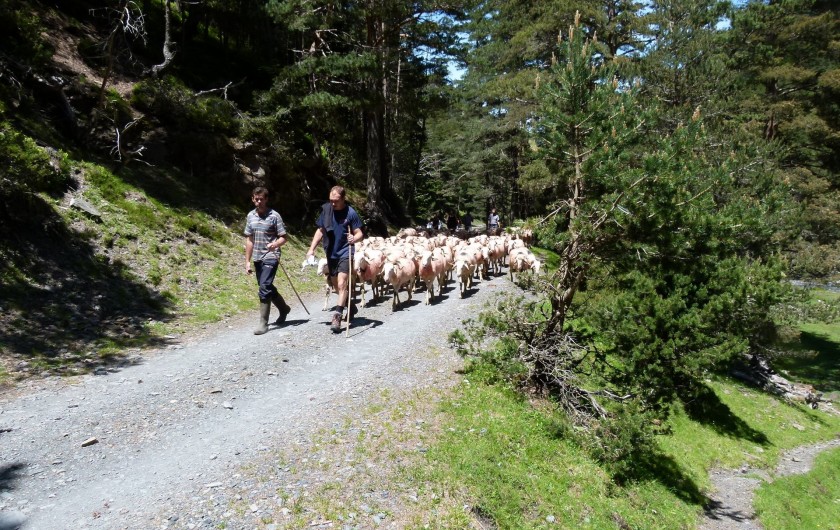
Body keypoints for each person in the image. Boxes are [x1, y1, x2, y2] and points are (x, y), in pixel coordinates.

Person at [306, 186, 364, 333]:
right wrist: (311, 249)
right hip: (331, 252)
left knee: (342, 283)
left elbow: (359, 233)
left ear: (343, 199)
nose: (333, 203)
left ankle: (337, 316)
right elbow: (320, 230)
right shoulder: (327, 211)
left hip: (345, 251)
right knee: (335, 286)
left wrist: (354, 238)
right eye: (331, 200)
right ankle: (349, 305)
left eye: (336, 201)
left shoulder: (350, 213)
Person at [244, 186, 291, 335]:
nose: (259, 202)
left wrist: (275, 244)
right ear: (253, 199)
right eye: (256, 199)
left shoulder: (274, 216)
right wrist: (247, 261)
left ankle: (263, 323)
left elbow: (284, 237)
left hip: (271, 255)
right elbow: (249, 240)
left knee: (264, 286)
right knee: (266, 286)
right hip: (257, 257)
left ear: (266, 199)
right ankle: (284, 308)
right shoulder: (250, 216)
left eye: (261, 199)